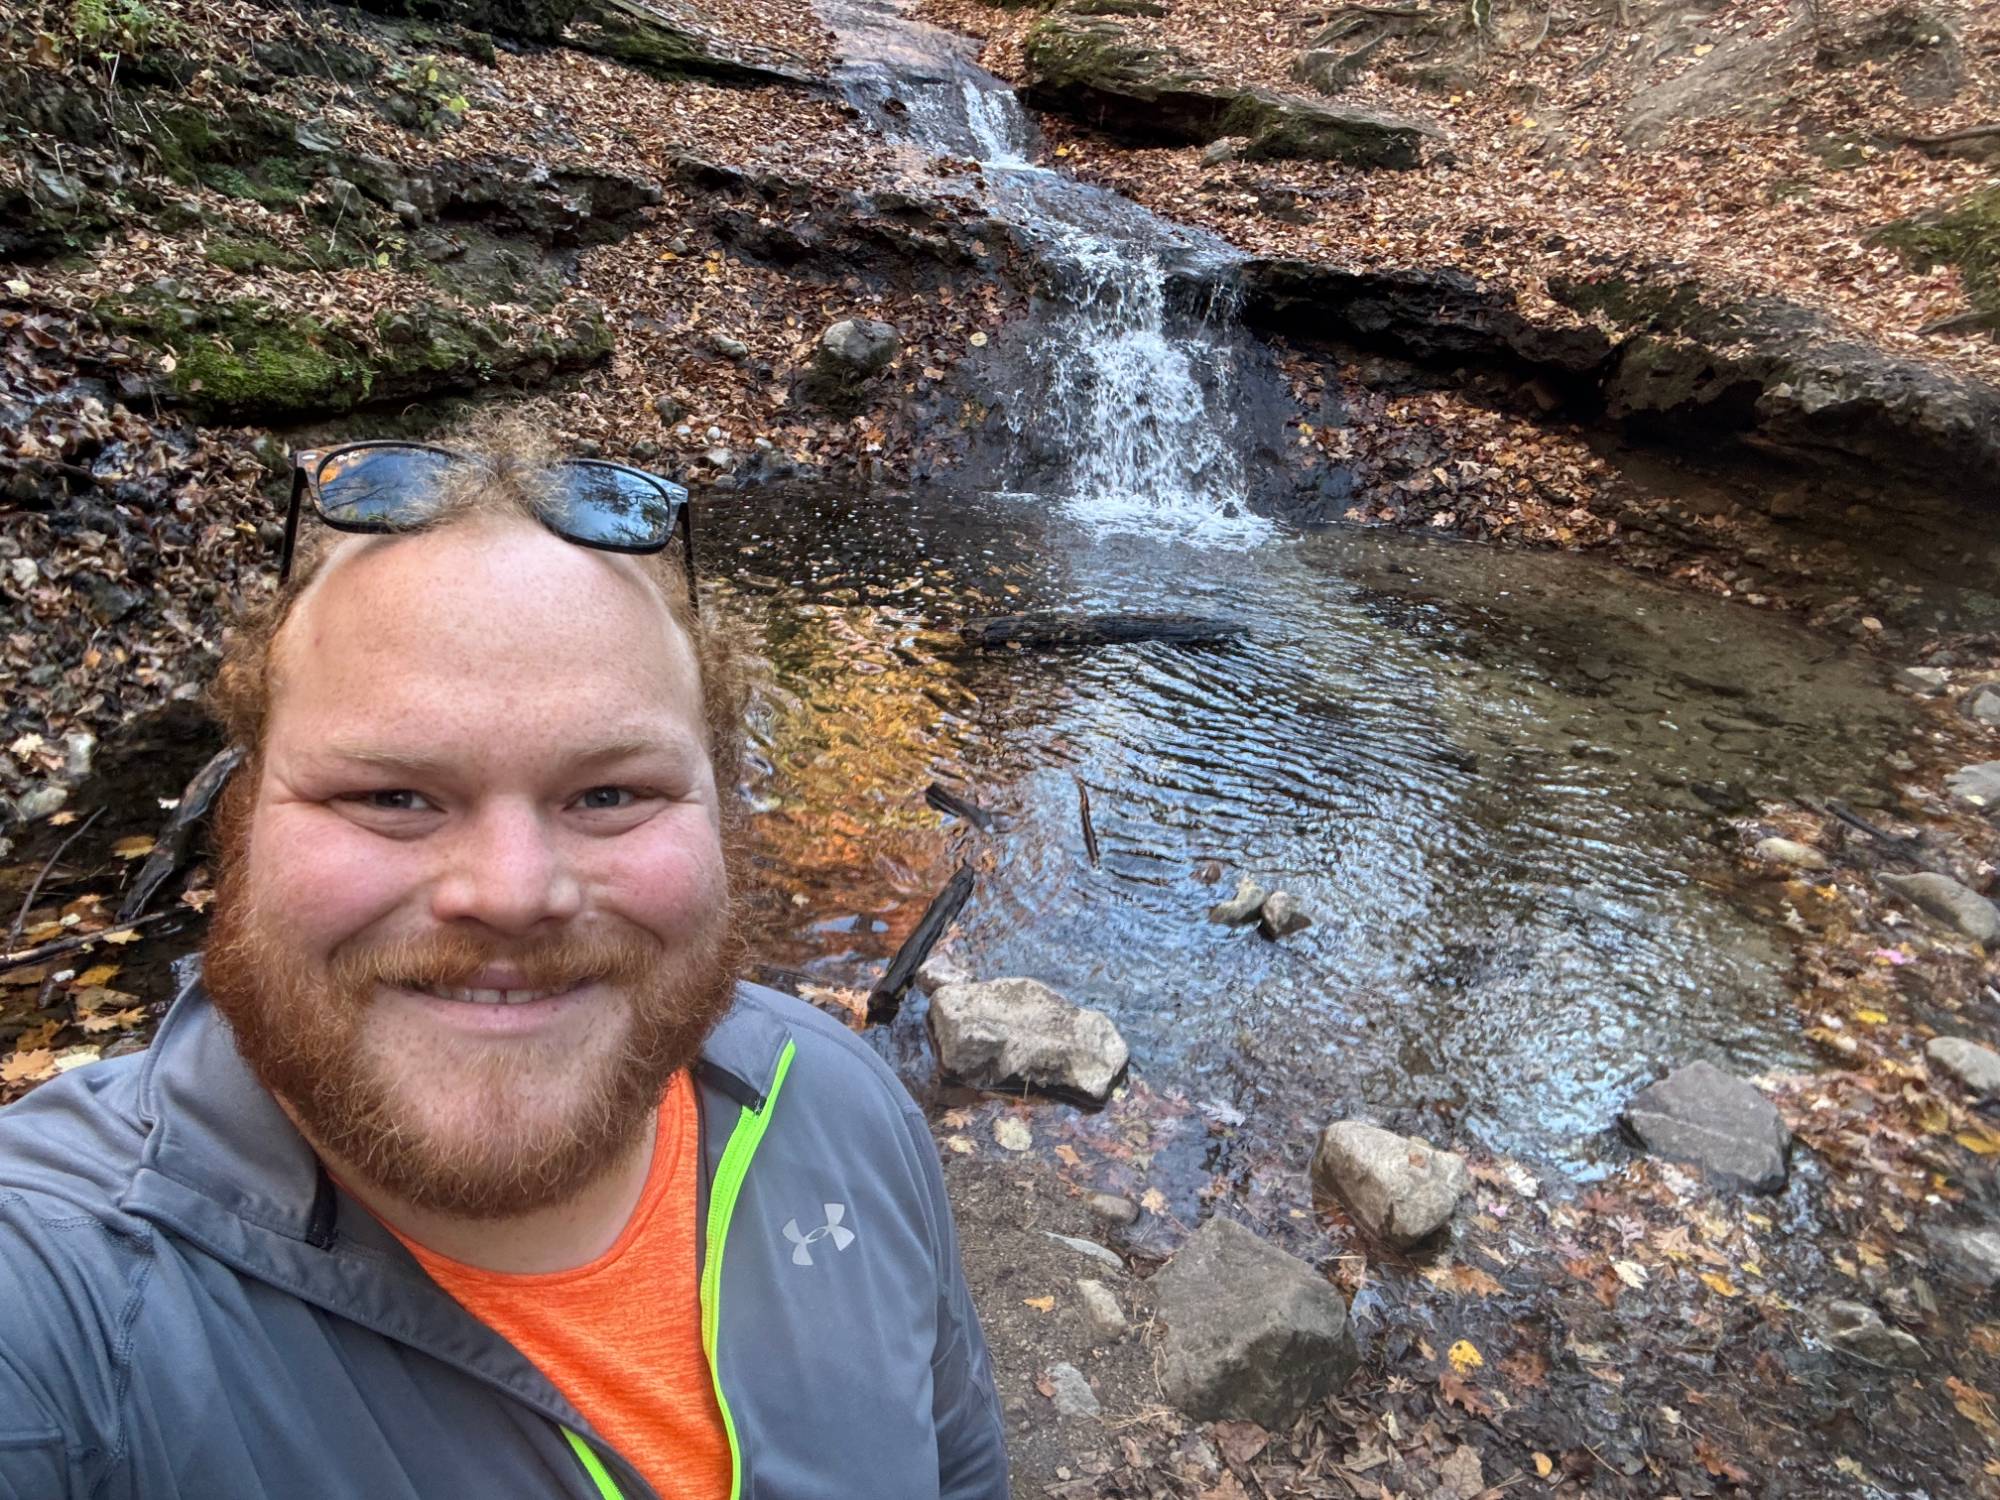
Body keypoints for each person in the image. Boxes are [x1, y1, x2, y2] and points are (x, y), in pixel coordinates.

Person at [0, 429, 1007, 1499]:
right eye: (391, 796)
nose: (513, 891)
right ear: (240, 817)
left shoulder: (838, 1103)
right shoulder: (62, 1297)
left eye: (609, 794)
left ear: (721, 814)